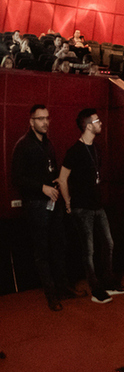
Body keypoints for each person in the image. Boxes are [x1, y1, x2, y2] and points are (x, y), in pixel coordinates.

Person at [11, 104, 78, 310]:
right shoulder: (23, 145)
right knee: (42, 251)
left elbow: (50, 170)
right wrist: (42, 187)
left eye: (47, 118)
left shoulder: (48, 144)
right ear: (31, 122)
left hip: (53, 203)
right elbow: (17, 178)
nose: (45, 122)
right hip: (36, 205)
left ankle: (63, 287)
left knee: (59, 245)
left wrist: (55, 180)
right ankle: (51, 295)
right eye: (41, 119)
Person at [58, 108, 124, 303]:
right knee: (88, 250)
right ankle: (96, 289)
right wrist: (68, 202)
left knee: (108, 243)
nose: (100, 123)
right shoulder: (74, 151)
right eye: (97, 121)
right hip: (82, 208)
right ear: (88, 126)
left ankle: (109, 283)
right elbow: (62, 179)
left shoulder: (96, 149)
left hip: (98, 206)